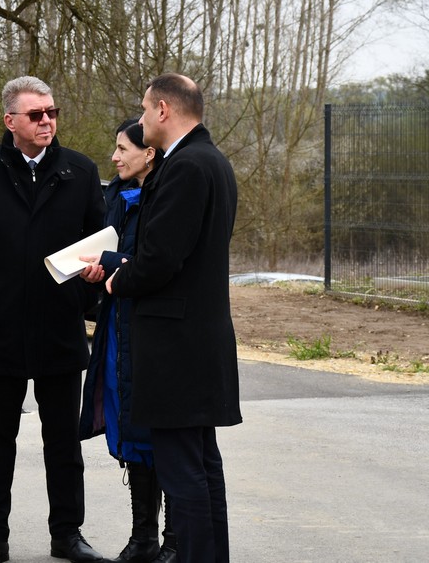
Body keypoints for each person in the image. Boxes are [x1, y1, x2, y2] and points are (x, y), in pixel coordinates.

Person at [0, 76, 107, 563]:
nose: (47, 121)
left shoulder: (79, 171)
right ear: (9, 120)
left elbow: (100, 243)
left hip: (60, 329)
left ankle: (68, 534)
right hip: (0, 328)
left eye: (52, 112)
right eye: (36, 114)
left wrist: (77, 300)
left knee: (63, 441)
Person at [106, 74, 241, 562]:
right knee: (202, 468)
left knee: (186, 474)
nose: (141, 121)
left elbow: (162, 258)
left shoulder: (186, 167)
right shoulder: (211, 161)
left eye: (144, 110)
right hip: (197, 343)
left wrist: (117, 279)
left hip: (178, 349)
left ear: (163, 110)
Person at [78, 119, 176, 563]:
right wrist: (98, 274)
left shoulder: (167, 196)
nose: (114, 157)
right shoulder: (115, 197)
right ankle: (143, 539)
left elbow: (158, 263)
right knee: (131, 428)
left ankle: (175, 539)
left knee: (164, 433)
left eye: (122, 149)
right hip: (118, 328)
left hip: (155, 334)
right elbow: (116, 262)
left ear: (148, 153)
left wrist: (110, 261)